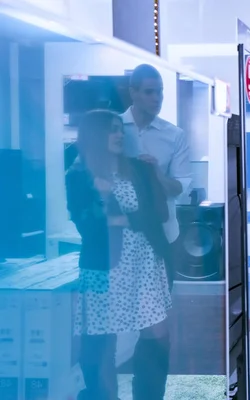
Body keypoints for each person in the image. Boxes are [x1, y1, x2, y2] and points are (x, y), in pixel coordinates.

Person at [66, 110, 172, 400]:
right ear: (95, 134)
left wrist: (121, 219)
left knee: (157, 336)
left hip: (144, 264)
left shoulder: (137, 169)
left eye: (120, 129)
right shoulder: (78, 176)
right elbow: (89, 226)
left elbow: (159, 214)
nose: (119, 134)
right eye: (112, 130)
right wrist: (108, 201)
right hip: (103, 268)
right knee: (100, 344)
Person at [121, 63, 192, 287]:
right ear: (133, 92)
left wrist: (157, 173)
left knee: (162, 307)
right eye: (149, 92)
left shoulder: (174, 135)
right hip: (122, 236)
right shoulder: (113, 128)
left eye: (160, 91)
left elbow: (181, 186)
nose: (157, 98)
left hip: (164, 236)